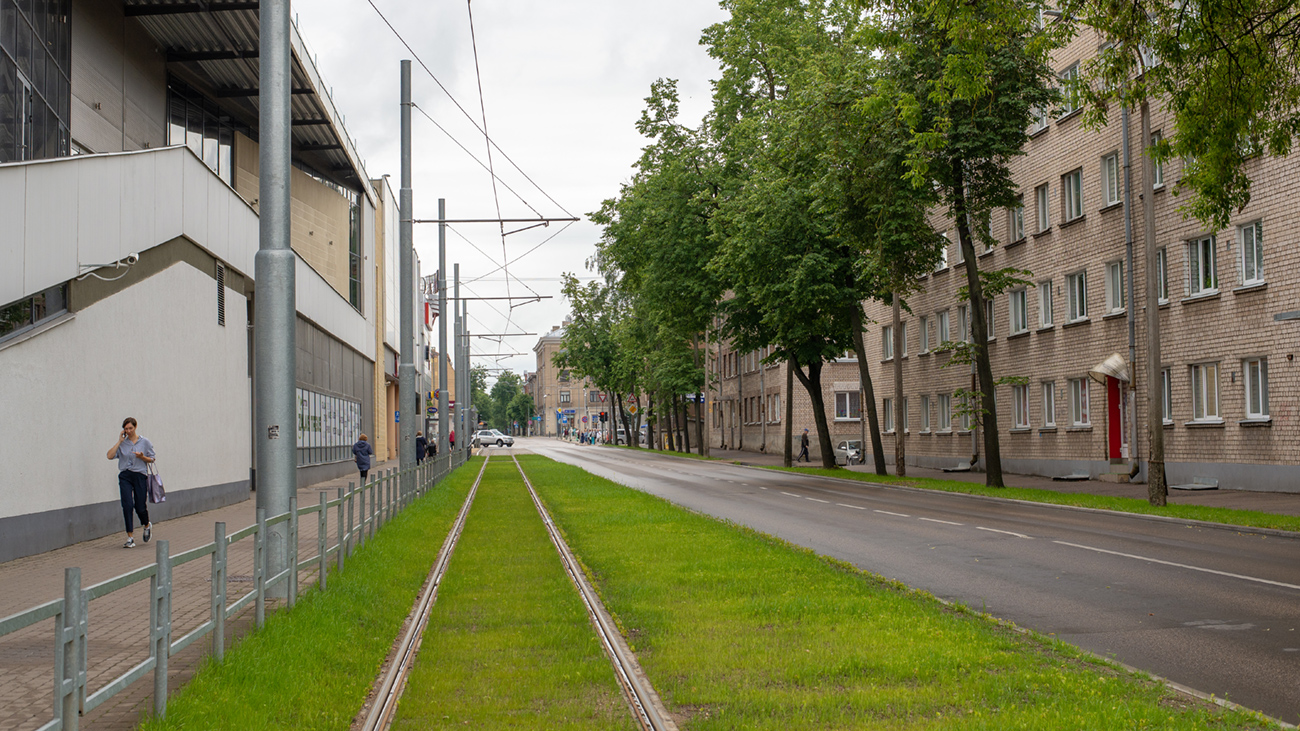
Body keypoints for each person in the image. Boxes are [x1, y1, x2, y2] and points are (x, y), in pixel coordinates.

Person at [107, 417, 155, 548]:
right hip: (125, 476)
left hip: (139, 475)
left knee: (140, 506)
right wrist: (119, 441)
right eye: (126, 429)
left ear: (135, 427)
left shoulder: (144, 442)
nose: (128, 431)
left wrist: (142, 457)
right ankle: (130, 537)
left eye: (130, 428)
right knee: (127, 505)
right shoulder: (123, 443)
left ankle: (146, 525)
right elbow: (109, 456)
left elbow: (152, 459)